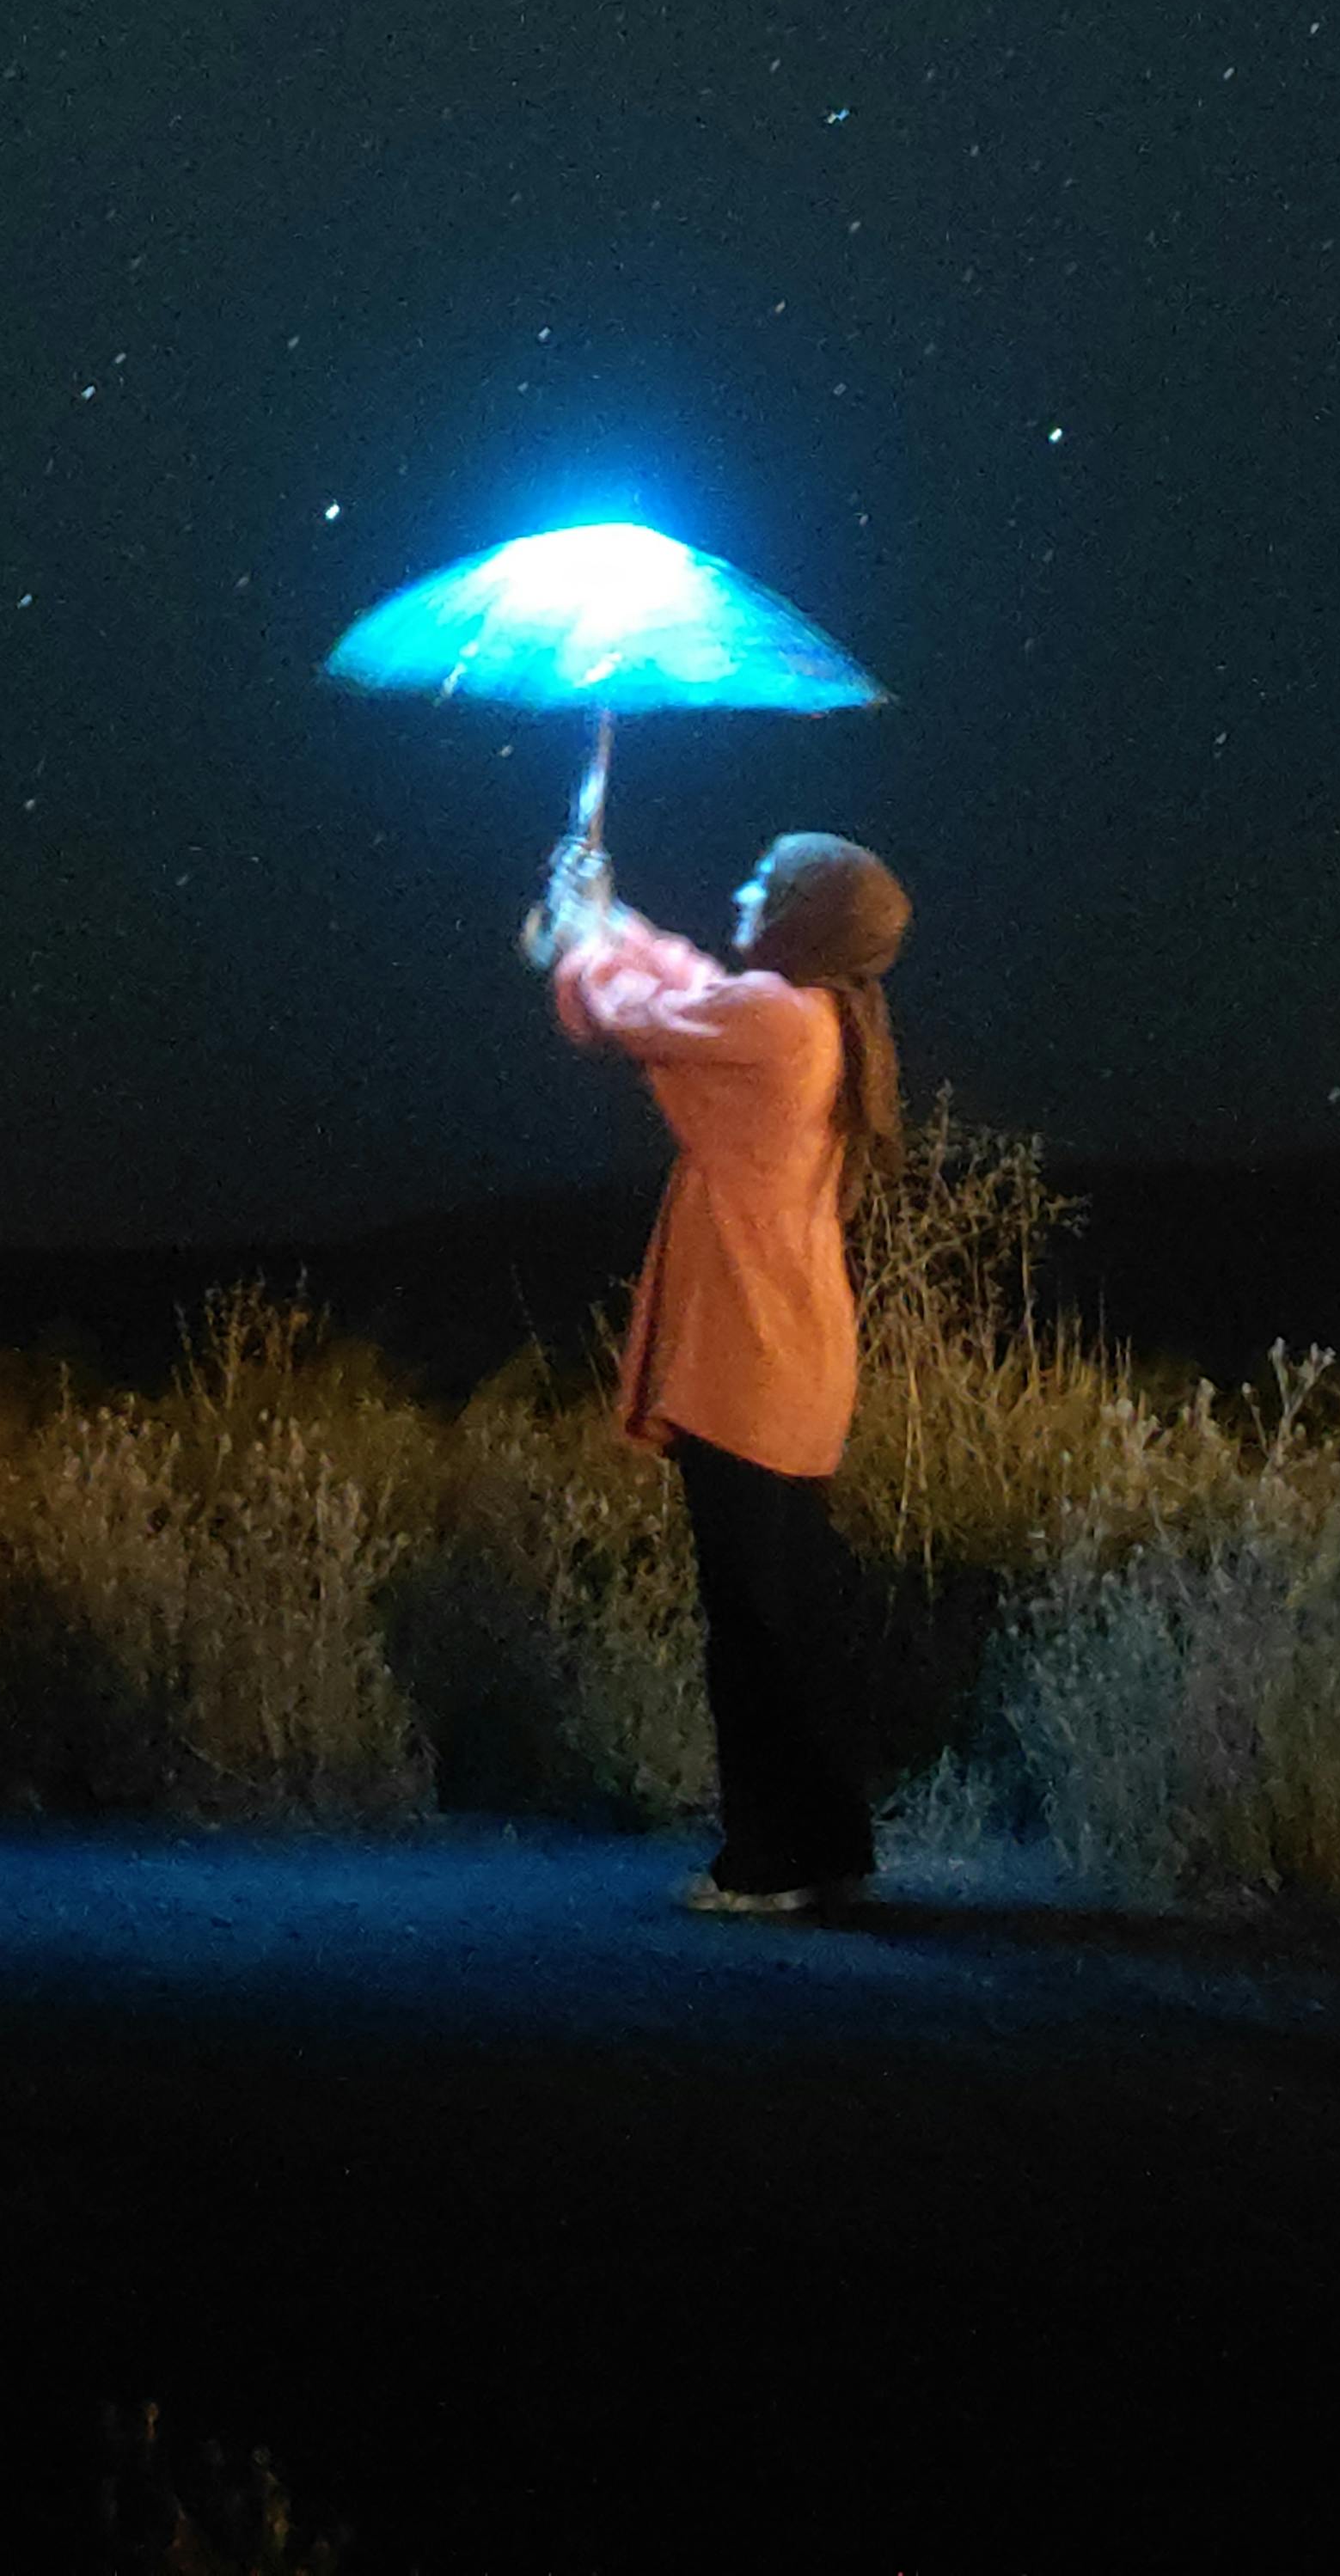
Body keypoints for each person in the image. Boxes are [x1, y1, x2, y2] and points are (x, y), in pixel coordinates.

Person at [527, 799, 912, 1914]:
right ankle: (824, 1847)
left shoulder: (775, 1023)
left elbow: (636, 1014)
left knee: (752, 1630)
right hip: (793, 1356)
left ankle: (765, 1864)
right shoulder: (815, 1017)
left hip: (747, 1360)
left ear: (803, 918)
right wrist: (609, 913)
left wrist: (580, 935)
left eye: (761, 884)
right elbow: (686, 984)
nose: (741, 897)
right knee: (788, 1620)